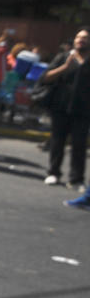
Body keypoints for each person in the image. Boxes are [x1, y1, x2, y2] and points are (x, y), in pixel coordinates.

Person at [41, 28, 89, 191]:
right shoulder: (63, 57)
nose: (80, 40)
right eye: (78, 37)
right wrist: (65, 67)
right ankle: (53, 172)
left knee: (79, 145)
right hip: (60, 108)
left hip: (83, 111)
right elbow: (45, 78)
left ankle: (76, 179)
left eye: (84, 38)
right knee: (57, 142)